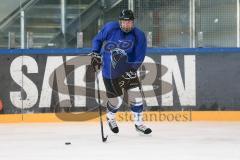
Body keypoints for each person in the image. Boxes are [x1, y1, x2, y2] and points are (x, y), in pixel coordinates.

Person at [90, 9, 152, 134]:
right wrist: (95, 53)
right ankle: (110, 117)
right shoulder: (110, 28)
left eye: (129, 22)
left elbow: (139, 56)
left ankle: (139, 124)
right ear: (119, 22)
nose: (126, 25)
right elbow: (97, 39)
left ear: (133, 22)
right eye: (124, 22)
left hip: (128, 70)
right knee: (116, 101)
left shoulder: (138, 35)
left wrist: (132, 69)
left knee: (136, 97)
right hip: (109, 71)